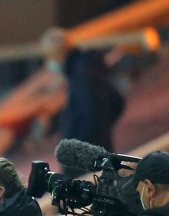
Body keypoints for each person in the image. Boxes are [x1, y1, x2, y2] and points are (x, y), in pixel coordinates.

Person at [40, 27, 125, 155]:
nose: (49, 64)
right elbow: (115, 102)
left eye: (51, 57)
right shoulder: (83, 69)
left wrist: (77, 145)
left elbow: (91, 114)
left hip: (86, 160)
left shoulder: (82, 75)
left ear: (58, 54)